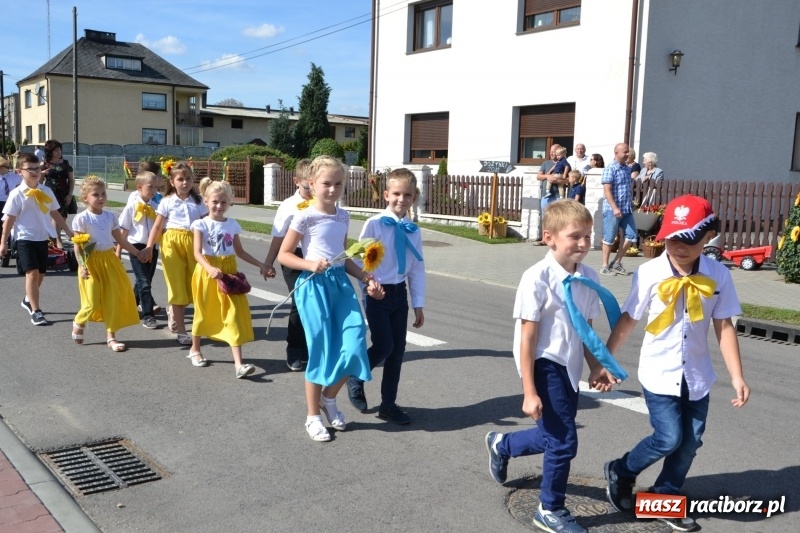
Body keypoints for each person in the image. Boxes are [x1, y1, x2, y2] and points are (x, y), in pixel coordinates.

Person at [603, 195, 749, 532]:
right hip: (659, 372)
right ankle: (621, 470)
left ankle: (665, 497)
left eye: (689, 239)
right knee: (669, 437)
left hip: (697, 375)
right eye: (672, 237)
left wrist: (737, 376)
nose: (679, 246)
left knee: (691, 440)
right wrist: (605, 361)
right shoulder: (649, 273)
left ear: (709, 235)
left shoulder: (718, 275)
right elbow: (627, 321)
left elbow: (724, 326)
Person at [484, 199, 619, 533]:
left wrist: (596, 365)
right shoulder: (537, 277)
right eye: (576, 236)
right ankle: (550, 508)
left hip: (570, 368)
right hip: (543, 364)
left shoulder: (589, 277)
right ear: (549, 237)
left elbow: (585, 329)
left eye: (588, 236)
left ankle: (502, 445)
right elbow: (527, 339)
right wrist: (528, 391)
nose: (585, 244)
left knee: (552, 435)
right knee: (563, 441)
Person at [277, 155, 385, 442]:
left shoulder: (343, 216)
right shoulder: (304, 216)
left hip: (339, 285)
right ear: (312, 184)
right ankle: (313, 416)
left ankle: (329, 397)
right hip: (313, 286)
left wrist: (365, 277)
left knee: (355, 343)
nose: (333, 189)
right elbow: (284, 254)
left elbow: (343, 256)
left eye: (339, 184)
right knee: (321, 351)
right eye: (326, 184)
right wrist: (310, 264)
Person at [346, 168, 426, 425]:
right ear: (386, 194)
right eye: (396, 194)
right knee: (384, 345)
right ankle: (356, 376)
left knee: (398, 351)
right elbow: (360, 257)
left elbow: (416, 268)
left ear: (414, 197)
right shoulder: (375, 223)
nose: (401, 199)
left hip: (398, 293)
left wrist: (418, 304)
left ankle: (388, 405)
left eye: (408, 195)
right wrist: (369, 284)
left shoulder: (413, 229)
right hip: (376, 290)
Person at [189, 178, 273, 376]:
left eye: (223, 202)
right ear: (206, 201)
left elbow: (241, 252)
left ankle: (239, 365)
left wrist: (261, 264)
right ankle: (195, 349)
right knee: (203, 312)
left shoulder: (233, 224)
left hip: (229, 274)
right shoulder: (200, 224)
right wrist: (209, 268)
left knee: (233, 316)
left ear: (229, 203)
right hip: (207, 273)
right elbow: (197, 253)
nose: (219, 206)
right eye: (215, 201)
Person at [0, 153, 73, 326]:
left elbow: (55, 213)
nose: (35, 172)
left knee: (41, 273)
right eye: (30, 169)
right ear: (19, 172)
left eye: (37, 168)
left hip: (42, 237)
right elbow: (9, 219)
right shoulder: (17, 194)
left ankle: (27, 299)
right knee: (32, 274)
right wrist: (3, 242)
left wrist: (69, 233)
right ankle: (36, 310)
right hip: (25, 238)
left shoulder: (46, 191)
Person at [71, 177, 142, 352]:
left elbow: (121, 241)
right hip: (91, 262)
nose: (101, 197)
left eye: (103, 194)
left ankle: (111, 337)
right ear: (85, 198)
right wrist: (82, 265)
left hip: (109, 261)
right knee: (92, 301)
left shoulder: (110, 216)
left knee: (112, 300)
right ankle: (79, 321)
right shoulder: (82, 219)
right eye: (96, 194)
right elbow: (78, 247)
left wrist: (138, 253)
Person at [141, 162, 208, 345]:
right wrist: (149, 246)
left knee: (195, 286)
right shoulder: (166, 202)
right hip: (172, 244)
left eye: (188, 178)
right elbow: (157, 226)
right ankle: (182, 330)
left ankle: (177, 312)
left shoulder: (199, 202)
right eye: (180, 179)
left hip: (194, 243)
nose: (185, 182)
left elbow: (207, 224)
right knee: (177, 287)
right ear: (172, 181)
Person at [264, 158, 312, 371]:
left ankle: (310, 348)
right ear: (296, 182)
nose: (311, 190)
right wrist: (268, 262)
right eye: (306, 186)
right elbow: (278, 236)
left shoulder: (324, 203)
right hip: (292, 256)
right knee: (299, 302)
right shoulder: (288, 206)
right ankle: (294, 349)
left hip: (315, 258)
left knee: (314, 305)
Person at [118, 171, 161, 329]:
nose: (154, 190)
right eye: (150, 187)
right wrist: (117, 252)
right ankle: (148, 315)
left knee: (145, 281)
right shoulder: (132, 206)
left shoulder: (156, 206)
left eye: (156, 187)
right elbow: (123, 231)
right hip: (136, 247)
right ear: (139, 187)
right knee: (144, 282)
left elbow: (159, 229)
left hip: (152, 247)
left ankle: (129, 305)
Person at [601, 143, 637, 276]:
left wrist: (631, 203)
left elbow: (626, 188)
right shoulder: (610, 168)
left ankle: (616, 262)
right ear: (616, 153)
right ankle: (604, 266)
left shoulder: (627, 169)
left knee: (632, 235)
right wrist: (614, 207)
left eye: (628, 152)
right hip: (612, 210)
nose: (628, 154)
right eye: (625, 152)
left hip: (626, 209)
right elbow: (607, 190)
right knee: (609, 238)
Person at [40, 140, 75, 248]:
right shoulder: (45, 164)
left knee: (63, 216)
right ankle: (58, 240)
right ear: (50, 152)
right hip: (51, 192)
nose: (58, 152)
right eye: (55, 150)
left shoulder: (65, 163)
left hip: (64, 192)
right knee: (56, 215)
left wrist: (70, 193)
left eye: (59, 149)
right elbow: (40, 181)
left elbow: (71, 180)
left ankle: (53, 236)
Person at [0, 157, 23, 237]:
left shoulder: (12, 176)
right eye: (7, 167)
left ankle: (9, 242)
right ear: (1, 167)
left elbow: (24, 177)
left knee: (8, 223)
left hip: (8, 203)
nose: (8, 168)